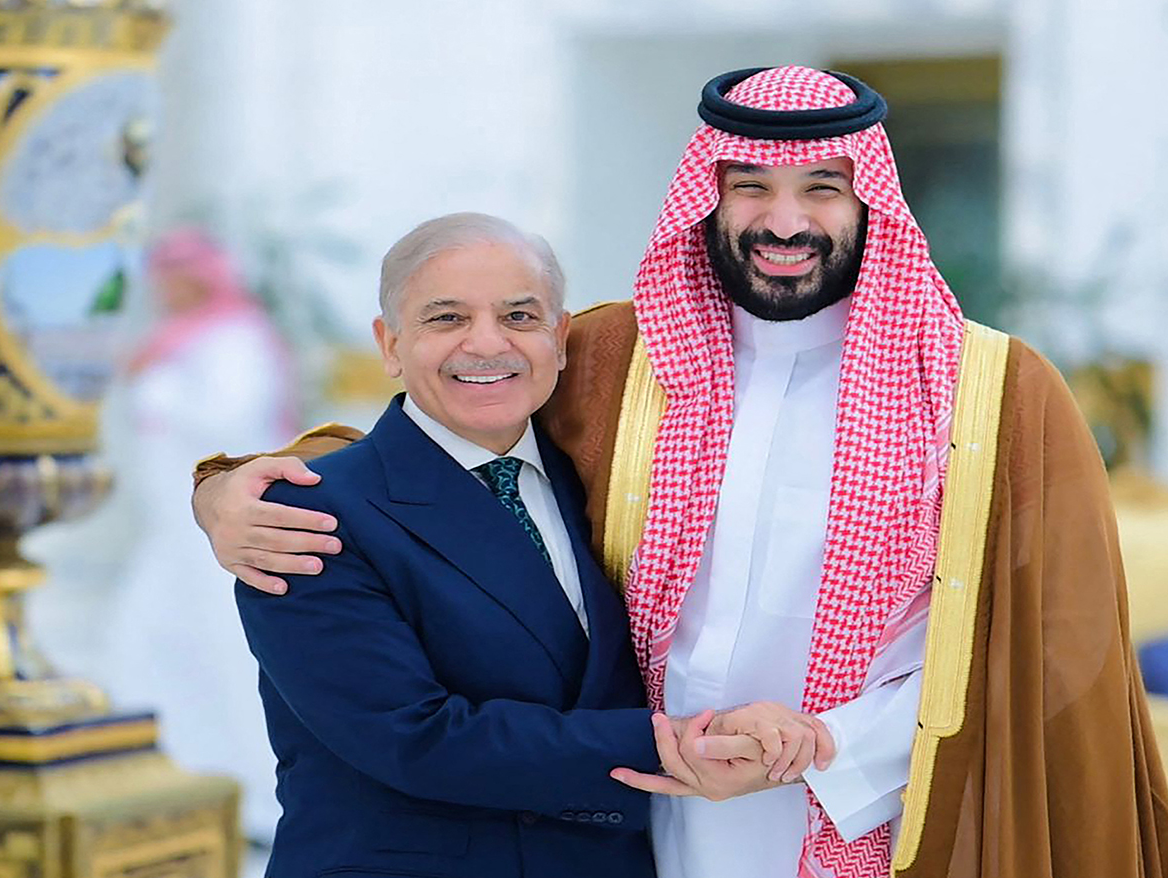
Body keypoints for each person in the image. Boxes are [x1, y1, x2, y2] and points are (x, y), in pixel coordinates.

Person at [193, 67, 1168, 878]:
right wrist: (236, 485)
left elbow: (1055, 646)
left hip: (879, 805)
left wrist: (829, 745)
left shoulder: (993, 393)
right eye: (749, 187)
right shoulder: (613, 358)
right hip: (637, 817)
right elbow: (448, 433)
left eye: (821, 189)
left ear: (869, 204)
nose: (782, 219)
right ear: (706, 200)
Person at [232, 212, 828, 878]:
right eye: (447, 318)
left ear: (561, 336)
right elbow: (416, 738)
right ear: (390, 344)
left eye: (519, 317)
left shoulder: (606, 479)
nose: (487, 345)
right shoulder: (305, 513)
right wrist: (681, 740)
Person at [109, 228, 295, 842]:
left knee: (227, 656)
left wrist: (157, 389)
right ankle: (162, 787)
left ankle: (254, 800)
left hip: (215, 537)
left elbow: (229, 421)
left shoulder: (234, 337)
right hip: (170, 537)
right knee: (153, 645)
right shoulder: (179, 340)